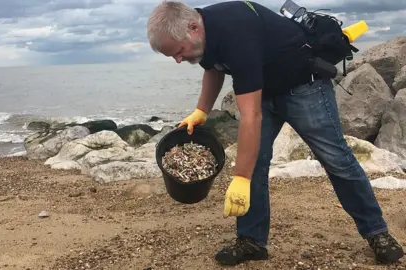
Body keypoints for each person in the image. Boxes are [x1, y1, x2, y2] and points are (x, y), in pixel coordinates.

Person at [146, 0, 404, 266]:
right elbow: (214, 68)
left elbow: (250, 116)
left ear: (192, 28)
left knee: (336, 159)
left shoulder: (235, 33)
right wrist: (201, 110)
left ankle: (377, 232)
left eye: (177, 52)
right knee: (254, 161)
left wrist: (240, 178)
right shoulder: (202, 33)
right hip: (264, 91)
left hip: (304, 87)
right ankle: (251, 240)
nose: (178, 60)